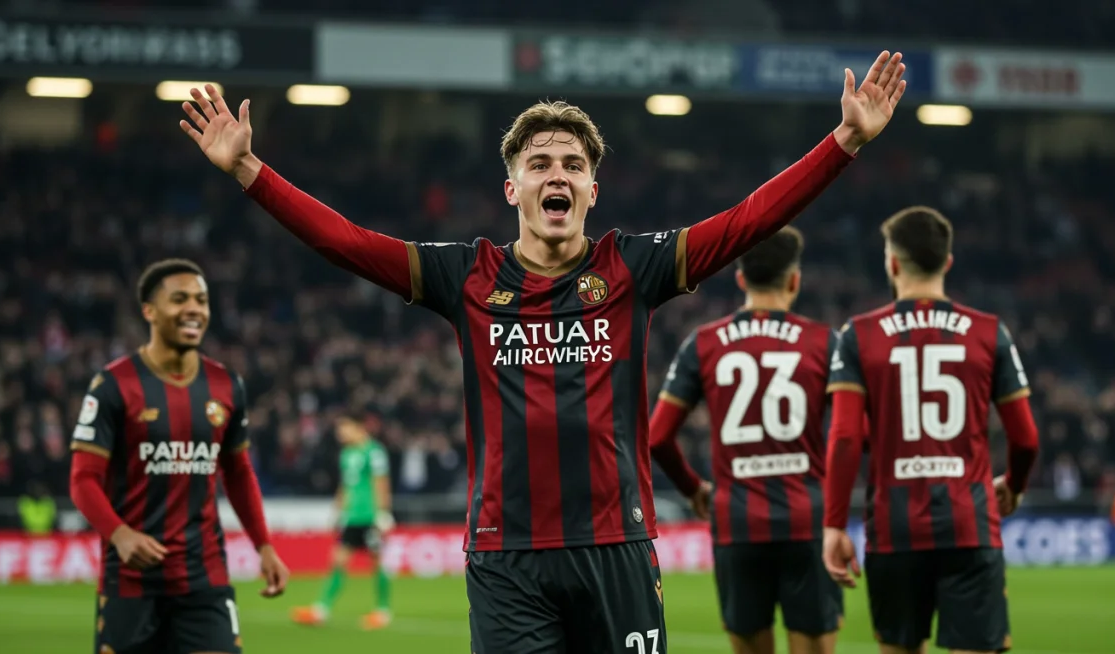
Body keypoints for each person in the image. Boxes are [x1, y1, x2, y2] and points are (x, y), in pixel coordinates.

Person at [178, 51, 907, 654]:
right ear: (512, 187)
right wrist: (249, 172)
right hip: (507, 558)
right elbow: (344, 243)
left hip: (615, 547)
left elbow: (751, 220)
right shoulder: (465, 275)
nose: (555, 173)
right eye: (538, 163)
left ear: (592, 187)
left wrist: (843, 143)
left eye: (571, 163)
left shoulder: (632, 268)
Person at [822, 207, 1041, 654]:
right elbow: (1026, 438)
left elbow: (844, 438)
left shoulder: (858, 335)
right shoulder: (989, 333)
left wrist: (833, 524)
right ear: (948, 262)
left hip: (893, 529)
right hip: (969, 523)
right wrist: (1014, 485)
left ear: (892, 263)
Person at [69, 259, 289, 654]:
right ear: (149, 311)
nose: (194, 309)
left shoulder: (226, 385)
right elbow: (83, 479)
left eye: (202, 300)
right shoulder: (113, 385)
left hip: (204, 575)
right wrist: (119, 534)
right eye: (180, 299)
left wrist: (264, 545)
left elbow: (238, 473)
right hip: (131, 579)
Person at [649, 227, 843, 654]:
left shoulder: (703, 343)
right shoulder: (825, 343)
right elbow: (853, 432)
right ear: (794, 280)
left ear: (740, 280)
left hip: (736, 521)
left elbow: (657, 436)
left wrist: (694, 489)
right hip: (806, 521)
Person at [291, 414, 395, 629]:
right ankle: (321, 609)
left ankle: (383, 611)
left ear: (359, 428)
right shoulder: (347, 454)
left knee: (376, 562)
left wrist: (382, 513)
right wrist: (337, 511)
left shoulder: (374, 452)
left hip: (370, 517)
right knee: (338, 561)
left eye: (345, 428)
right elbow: (345, 486)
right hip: (352, 517)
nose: (341, 433)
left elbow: (381, 483)